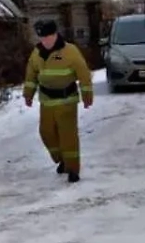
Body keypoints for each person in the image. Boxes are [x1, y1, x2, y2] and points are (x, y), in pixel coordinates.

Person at [22, 17, 93, 183]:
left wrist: (87, 94)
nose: (45, 41)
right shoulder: (37, 53)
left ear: (55, 35)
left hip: (66, 100)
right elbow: (31, 75)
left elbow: (83, 73)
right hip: (46, 101)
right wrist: (28, 93)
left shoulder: (70, 51)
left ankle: (73, 169)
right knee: (46, 133)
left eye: (47, 37)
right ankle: (61, 159)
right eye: (42, 37)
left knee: (68, 135)